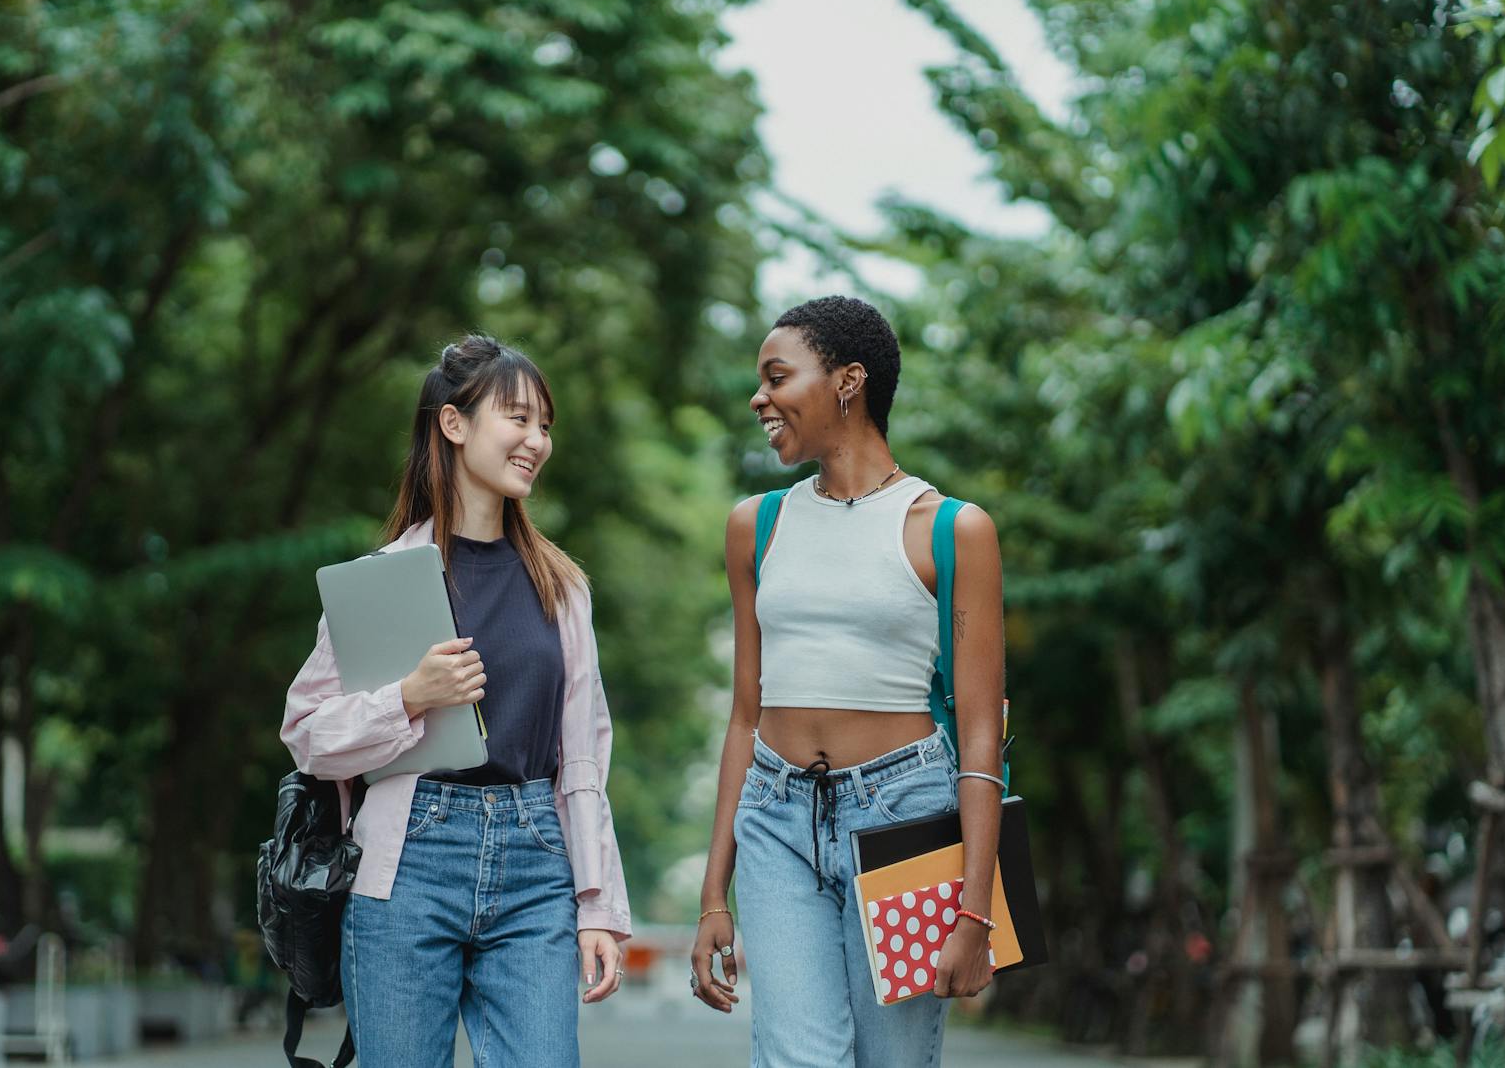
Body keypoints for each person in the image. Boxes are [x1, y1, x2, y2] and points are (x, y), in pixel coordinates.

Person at [281, 335, 629, 1068]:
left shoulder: (561, 588)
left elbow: (585, 758)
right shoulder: (381, 581)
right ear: (453, 424)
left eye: (545, 425)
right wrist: (408, 698)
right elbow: (306, 734)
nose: (538, 441)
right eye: (519, 419)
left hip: (538, 859)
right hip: (406, 861)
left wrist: (599, 906)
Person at [688, 295, 1006, 1066]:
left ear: (847, 381)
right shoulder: (755, 526)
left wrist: (975, 913)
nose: (759, 397)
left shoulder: (951, 530)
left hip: (907, 817)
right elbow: (743, 714)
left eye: (776, 376)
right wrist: (710, 898)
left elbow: (981, 729)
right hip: (776, 818)